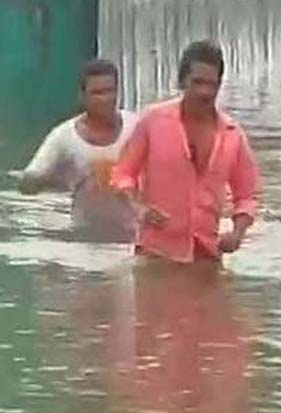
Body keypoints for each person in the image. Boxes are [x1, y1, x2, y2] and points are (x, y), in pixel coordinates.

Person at [110, 40, 261, 263]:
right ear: (182, 81)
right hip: (155, 253)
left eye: (212, 85)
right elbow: (123, 174)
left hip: (207, 255)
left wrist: (237, 234)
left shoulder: (232, 134)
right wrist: (138, 209)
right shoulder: (152, 121)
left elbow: (247, 194)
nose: (205, 92)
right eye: (197, 82)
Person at [19, 59, 138, 242]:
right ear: (82, 96)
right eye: (97, 93)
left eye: (110, 91)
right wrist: (58, 179)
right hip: (84, 236)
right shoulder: (64, 137)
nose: (106, 99)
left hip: (133, 235)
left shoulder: (137, 128)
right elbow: (27, 185)